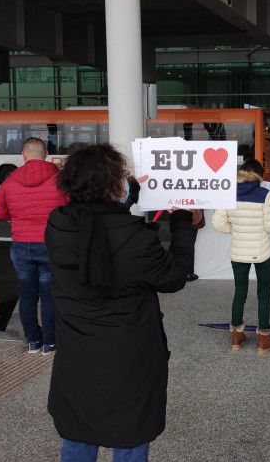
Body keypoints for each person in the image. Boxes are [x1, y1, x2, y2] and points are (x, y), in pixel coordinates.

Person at [44, 144, 190, 462]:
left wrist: (133, 187)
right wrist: (182, 226)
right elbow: (174, 277)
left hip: (77, 357)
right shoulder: (135, 238)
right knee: (130, 436)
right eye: (122, 178)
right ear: (112, 186)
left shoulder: (58, 224)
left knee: (78, 435)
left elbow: (101, 217)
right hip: (130, 361)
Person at [0, 137, 67, 354]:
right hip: (51, 245)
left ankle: (33, 342)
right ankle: (51, 343)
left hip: (21, 245)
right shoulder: (60, 180)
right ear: (45, 154)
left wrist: (17, 217)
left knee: (26, 296)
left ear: (23, 155)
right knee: (48, 295)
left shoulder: (9, 181)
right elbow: (71, 209)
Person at [212, 159, 270, 354]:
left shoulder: (228, 193)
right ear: (260, 174)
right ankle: (264, 340)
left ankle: (236, 337)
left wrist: (235, 229)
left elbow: (217, 224)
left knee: (239, 291)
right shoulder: (266, 195)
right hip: (262, 252)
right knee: (263, 293)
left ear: (241, 172)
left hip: (238, 251)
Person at [168, 208, 203, 282]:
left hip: (177, 217)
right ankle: (188, 272)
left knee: (176, 242)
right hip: (189, 218)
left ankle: (174, 271)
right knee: (188, 246)